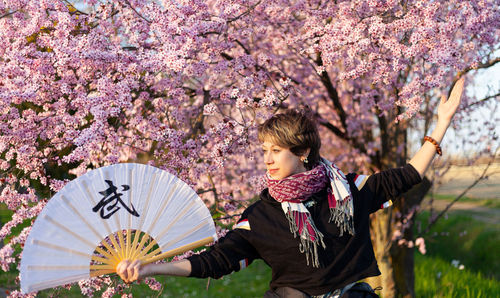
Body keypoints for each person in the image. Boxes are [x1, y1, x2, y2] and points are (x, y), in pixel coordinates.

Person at [116, 77, 465, 297]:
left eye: (276, 151)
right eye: (264, 150)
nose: (268, 159)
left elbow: (407, 176)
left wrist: (442, 124)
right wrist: (149, 267)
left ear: (303, 153)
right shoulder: (260, 216)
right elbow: (216, 261)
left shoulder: (346, 189)